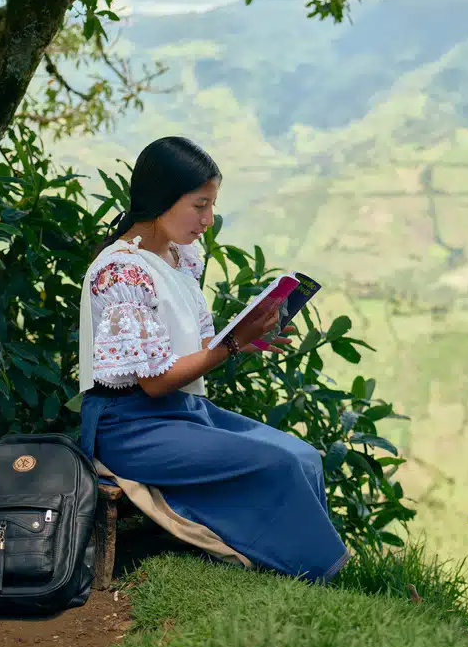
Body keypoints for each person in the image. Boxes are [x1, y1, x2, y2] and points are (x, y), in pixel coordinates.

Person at [77, 136, 351, 583]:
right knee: (277, 464)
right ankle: (311, 575)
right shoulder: (120, 271)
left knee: (302, 456)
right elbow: (155, 382)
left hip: (182, 413)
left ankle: (306, 570)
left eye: (211, 207)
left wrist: (252, 337)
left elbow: (195, 347)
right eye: (199, 206)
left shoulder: (177, 257)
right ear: (161, 198)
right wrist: (232, 344)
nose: (207, 221)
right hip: (130, 427)